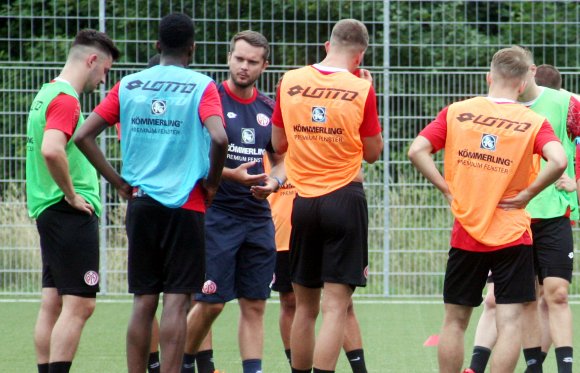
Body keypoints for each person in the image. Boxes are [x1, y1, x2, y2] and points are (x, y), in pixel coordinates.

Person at [74, 13, 228, 373]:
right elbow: (220, 137)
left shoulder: (128, 85)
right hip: (187, 204)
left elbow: (83, 136)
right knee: (177, 301)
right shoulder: (202, 86)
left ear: (157, 46)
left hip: (141, 203)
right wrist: (214, 183)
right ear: (192, 48)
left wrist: (118, 182)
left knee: (143, 300)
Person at [407, 45, 568, 373]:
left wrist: (445, 186)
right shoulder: (532, 121)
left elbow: (417, 150)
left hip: (467, 230)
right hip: (511, 235)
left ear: (489, 77)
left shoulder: (457, 112)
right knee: (510, 322)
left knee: (454, 320)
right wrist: (529, 193)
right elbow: (560, 160)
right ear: (523, 84)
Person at [272, 19, 383, 373]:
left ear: (327, 45)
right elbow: (373, 152)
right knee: (336, 307)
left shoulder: (289, 81)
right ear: (360, 55)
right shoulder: (361, 88)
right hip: (344, 199)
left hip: (302, 202)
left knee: (305, 308)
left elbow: (277, 145)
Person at [182, 30, 284, 373]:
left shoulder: (269, 108)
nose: (244, 67)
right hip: (216, 214)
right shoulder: (209, 99)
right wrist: (230, 175)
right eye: (239, 59)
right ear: (229, 57)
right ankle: (182, 364)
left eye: (252, 62)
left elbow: (282, 160)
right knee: (210, 302)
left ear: (264, 66)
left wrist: (274, 181)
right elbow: (191, 156)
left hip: (257, 218)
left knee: (255, 304)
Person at [467, 62, 579, 373]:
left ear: (529, 71)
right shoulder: (496, 108)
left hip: (554, 213)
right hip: (511, 216)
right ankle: (523, 367)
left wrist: (577, 183)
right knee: (516, 299)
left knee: (556, 293)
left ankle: (565, 368)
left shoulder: (567, 104)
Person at [25, 29, 119, 373]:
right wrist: (71, 194)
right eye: (105, 71)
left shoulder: (46, 92)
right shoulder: (67, 99)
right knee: (80, 304)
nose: (103, 79)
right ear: (92, 61)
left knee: (52, 301)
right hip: (66, 212)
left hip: (47, 210)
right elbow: (51, 149)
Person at [265, 155, 369, 373]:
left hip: (323, 207)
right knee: (292, 301)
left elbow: (370, 151)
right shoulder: (275, 135)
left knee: (341, 302)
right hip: (285, 229)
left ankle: (360, 370)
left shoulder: (327, 138)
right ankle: (296, 363)